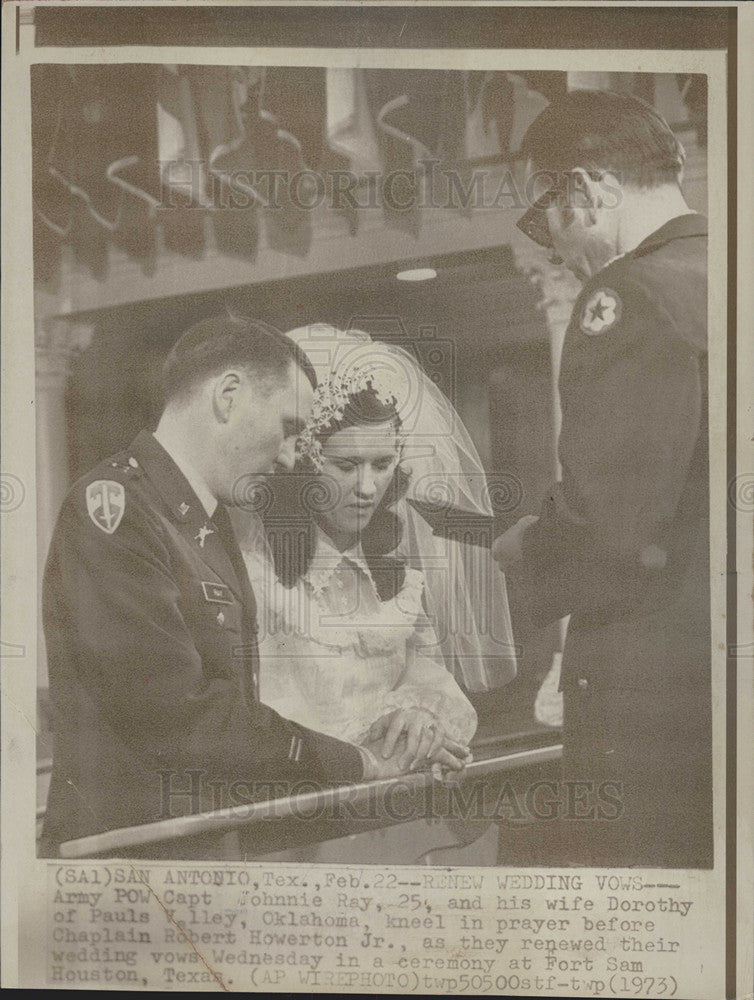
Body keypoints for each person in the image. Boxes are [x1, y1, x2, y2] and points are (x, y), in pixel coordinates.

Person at [40, 315, 464, 860]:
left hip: (199, 849)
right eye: (289, 427)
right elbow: (180, 719)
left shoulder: (203, 520)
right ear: (229, 395)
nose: (291, 455)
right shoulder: (115, 510)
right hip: (131, 858)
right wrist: (357, 762)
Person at [494, 90, 712, 867]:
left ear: (585, 191)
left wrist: (524, 553)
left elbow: (609, 530)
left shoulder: (629, 297)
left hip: (656, 704)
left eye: (544, 215)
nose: (553, 248)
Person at [235, 325, 518, 774]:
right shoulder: (258, 582)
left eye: (382, 464)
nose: (367, 488)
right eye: (346, 465)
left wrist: (421, 720)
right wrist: (377, 734)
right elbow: (267, 727)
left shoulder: (399, 583)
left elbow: (437, 693)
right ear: (304, 464)